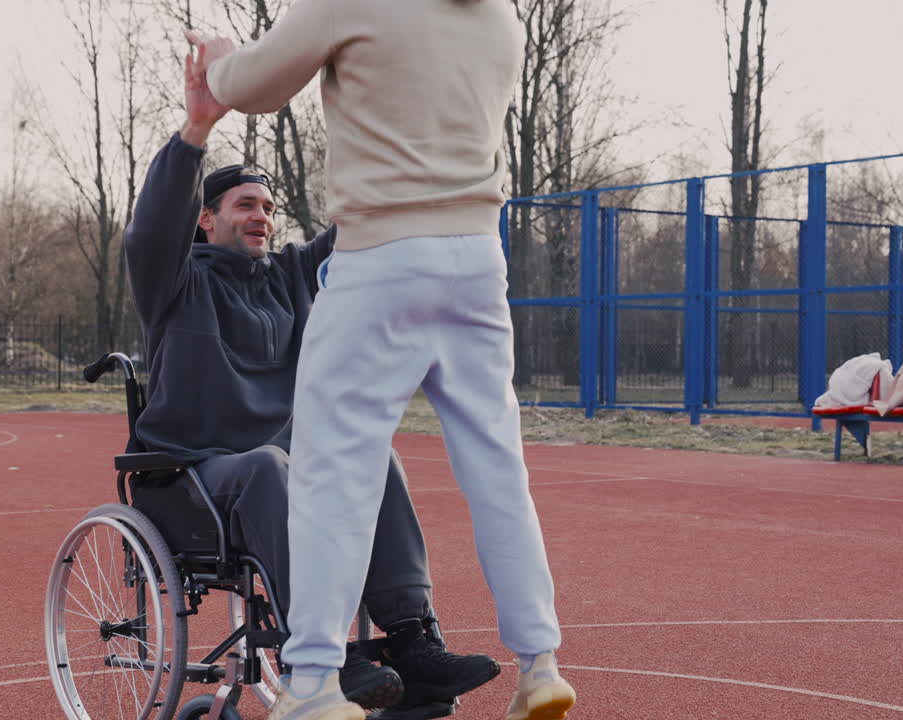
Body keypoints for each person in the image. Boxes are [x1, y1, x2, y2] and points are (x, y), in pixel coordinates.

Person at [188, 2, 577, 719]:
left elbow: (257, 85)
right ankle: (540, 664)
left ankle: (311, 679)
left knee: (334, 467)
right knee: (498, 468)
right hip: (478, 255)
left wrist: (217, 57)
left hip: (382, 253)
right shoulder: (500, 18)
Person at [121, 40, 500, 720]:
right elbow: (151, 232)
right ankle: (316, 658)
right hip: (192, 475)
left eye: (267, 205)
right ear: (205, 219)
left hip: (286, 464)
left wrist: (438, 147)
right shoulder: (174, 284)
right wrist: (196, 131)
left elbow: (359, 221)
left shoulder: (290, 278)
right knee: (268, 464)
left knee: (373, 455)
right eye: (243, 204)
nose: (261, 214)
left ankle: (413, 640)